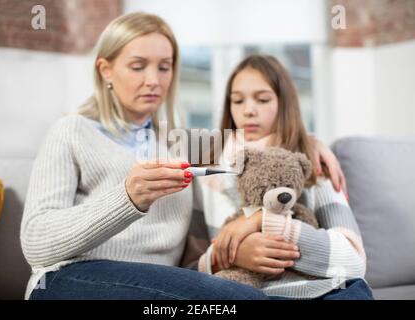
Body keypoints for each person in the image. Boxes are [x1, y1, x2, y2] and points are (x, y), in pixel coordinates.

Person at [21, 12, 346, 300]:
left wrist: (309, 141)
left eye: (165, 67)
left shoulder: (180, 144)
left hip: (162, 287)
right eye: (138, 66)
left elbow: (248, 146)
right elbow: (35, 243)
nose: (154, 80)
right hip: (70, 280)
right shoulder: (71, 131)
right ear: (105, 70)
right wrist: (127, 198)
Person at [194, 55, 374, 300]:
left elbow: (353, 261)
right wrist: (231, 254)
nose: (248, 110)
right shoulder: (207, 171)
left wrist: (263, 220)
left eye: (263, 99)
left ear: (284, 103)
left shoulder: (314, 162)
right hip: (245, 294)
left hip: (322, 292)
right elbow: (193, 265)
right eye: (237, 100)